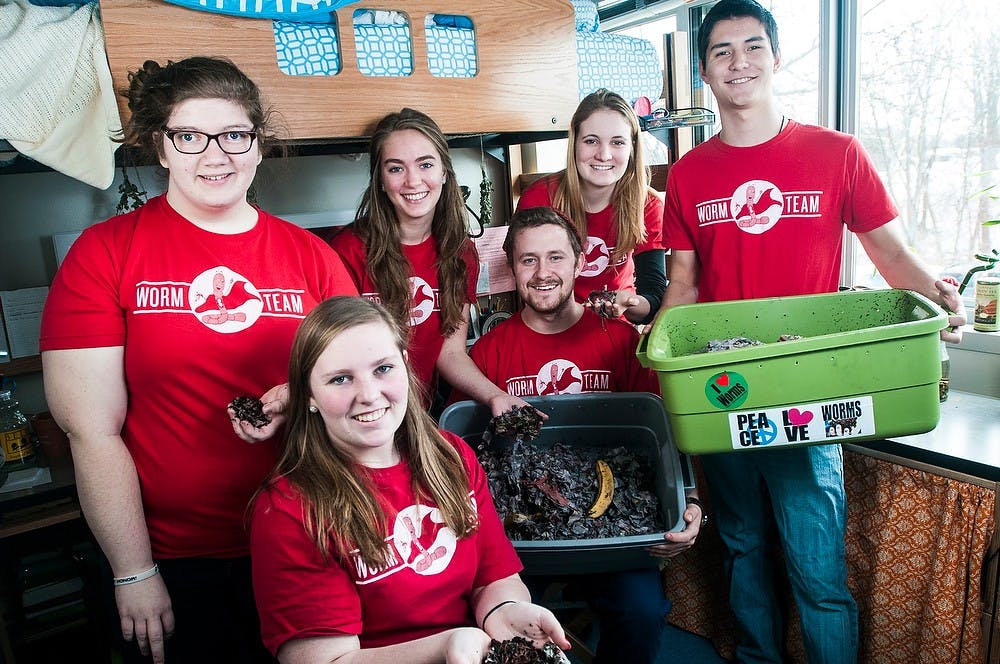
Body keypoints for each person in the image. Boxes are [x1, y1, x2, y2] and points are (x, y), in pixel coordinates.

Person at [658, 2, 967, 662]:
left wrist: (938, 297)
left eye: (751, 46)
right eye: (720, 52)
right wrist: (657, 351)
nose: (738, 61)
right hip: (725, 389)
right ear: (704, 73)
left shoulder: (837, 153)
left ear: (775, 58)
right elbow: (682, 287)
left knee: (817, 570)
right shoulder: (687, 176)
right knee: (742, 551)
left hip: (809, 392)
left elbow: (891, 254)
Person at [39, 56, 358, 664]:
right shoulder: (106, 253)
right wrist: (133, 570)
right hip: (177, 559)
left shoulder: (311, 257)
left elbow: (368, 380)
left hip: (310, 539)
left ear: (258, 146)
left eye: (235, 135)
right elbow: (91, 428)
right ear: (161, 147)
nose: (216, 155)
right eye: (190, 136)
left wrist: (303, 398)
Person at [453, 206, 712, 664]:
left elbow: (660, 434)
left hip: (614, 536)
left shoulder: (618, 339)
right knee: (490, 625)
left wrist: (688, 499)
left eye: (555, 257)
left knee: (643, 611)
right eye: (527, 260)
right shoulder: (490, 352)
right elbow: (472, 455)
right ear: (512, 269)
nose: (542, 272)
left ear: (578, 263)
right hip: (519, 544)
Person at [249, 296, 571, 663]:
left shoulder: (451, 455)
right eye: (341, 379)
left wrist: (506, 610)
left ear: (404, 364)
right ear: (308, 395)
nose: (369, 395)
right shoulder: (289, 509)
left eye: (382, 369)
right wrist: (445, 647)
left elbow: (493, 576)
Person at [329, 108, 527, 415]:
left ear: (444, 172)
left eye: (425, 164)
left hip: (424, 411)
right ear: (380, 179)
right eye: (396, 169)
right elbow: (339, 356)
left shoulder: (460, 254)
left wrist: (495, 396)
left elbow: (450, 352)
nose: (413, 181)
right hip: (365, 411)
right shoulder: (348, 251)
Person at [516, 88, 665, 325]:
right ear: (574, 143)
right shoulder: (539, 198)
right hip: (551, 327)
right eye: (591, 141)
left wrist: (627, 303)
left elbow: (654, 296)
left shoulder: (647, 204)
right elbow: (525, 279)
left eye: (617, 142)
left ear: (632, 147)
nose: (604, 155)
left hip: (616, 332)